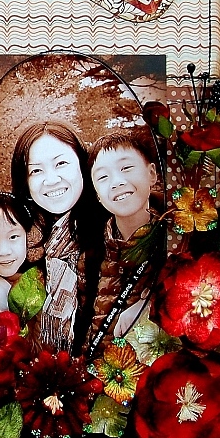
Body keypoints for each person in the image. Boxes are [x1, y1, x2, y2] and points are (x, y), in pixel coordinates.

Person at [10, 121, 107, 355]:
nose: (51, 179)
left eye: (61, 163)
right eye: (36, 170)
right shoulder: (19, 241)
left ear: (82, 165)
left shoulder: (112, 229)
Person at [83, 131, 164, 356]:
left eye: (126, 168)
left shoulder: (175, 241)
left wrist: (149, 307)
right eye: (103, 177)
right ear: (97, 195)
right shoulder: (90, 257)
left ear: (152, 174)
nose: (117, 182)